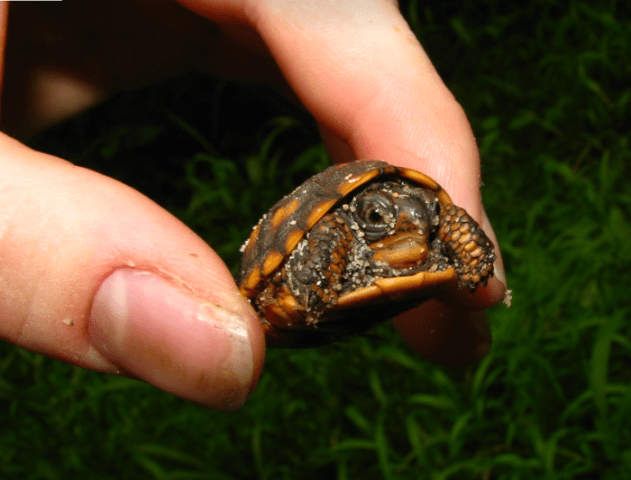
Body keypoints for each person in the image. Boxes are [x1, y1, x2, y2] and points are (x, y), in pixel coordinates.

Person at [0, 0, 507, 411]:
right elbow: (328, 232)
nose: (411, 224)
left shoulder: (421, 224)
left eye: (421, 217)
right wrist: (315, 281)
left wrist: (468, 250)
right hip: (299, 290)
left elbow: (447, 221)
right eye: (377, 217)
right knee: (333, 236)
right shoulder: (339, 233)